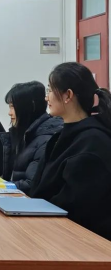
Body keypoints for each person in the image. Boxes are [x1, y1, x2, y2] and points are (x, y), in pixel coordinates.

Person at [30, 62, 111, 240]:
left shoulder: (92, 143)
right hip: (49, 229)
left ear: (68, 95)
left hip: (80, 241)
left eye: (50, 90)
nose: (46, 97)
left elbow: (73, 208)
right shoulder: (60, 137)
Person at [0, 81, 63, 194]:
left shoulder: (45, 139)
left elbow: (30, 185)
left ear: (29, 107)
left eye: (13, 107)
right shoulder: (22, 134)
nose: (9, 113)